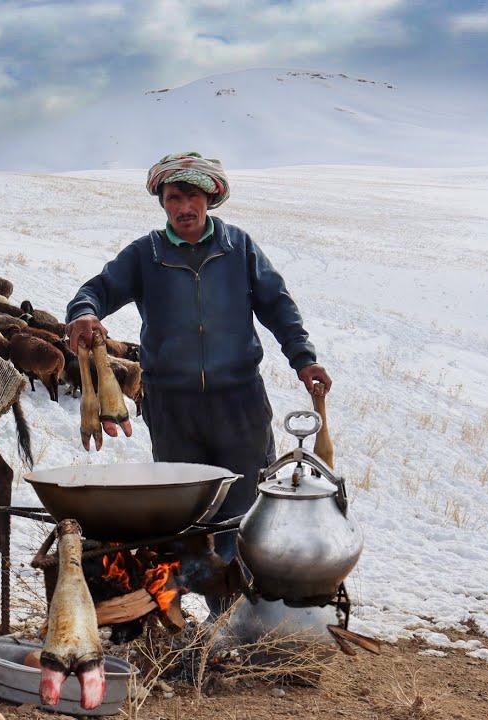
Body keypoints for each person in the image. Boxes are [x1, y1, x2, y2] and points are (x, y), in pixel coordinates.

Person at [63, 151, 332, 614]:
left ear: (210, 198)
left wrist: (303, 360)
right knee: (187, 513)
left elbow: (278, 306)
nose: (184, 207)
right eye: (173, 198)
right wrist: (84, 313)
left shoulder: (238, 247)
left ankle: (249, 613)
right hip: (173, 406)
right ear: (162, 202)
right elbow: (98, 289)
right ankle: (199, 615)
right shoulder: (146, 254)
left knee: (246, 507)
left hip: (239, 402)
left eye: (192, 196)